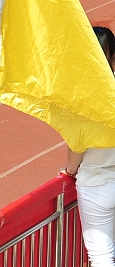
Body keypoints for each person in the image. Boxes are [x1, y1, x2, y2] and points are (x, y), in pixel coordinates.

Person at [64, 26, 115, 267]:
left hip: (95, 184)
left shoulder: (81, 97)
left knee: (101, 256)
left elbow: (77, 145)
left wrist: (70, 170)